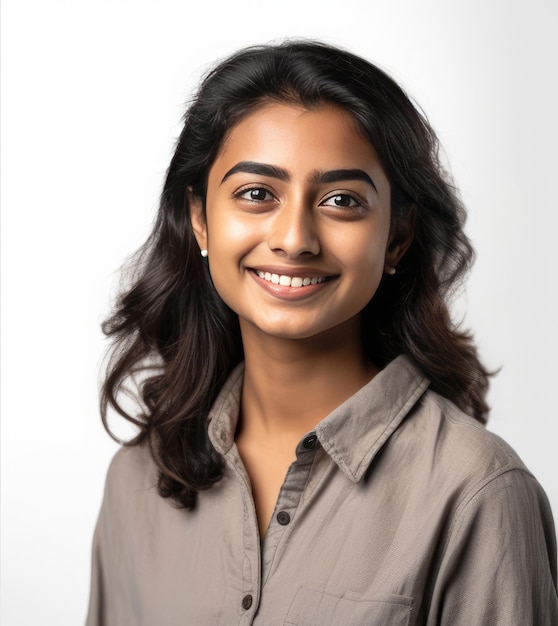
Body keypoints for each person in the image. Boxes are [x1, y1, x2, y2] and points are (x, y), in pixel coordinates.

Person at [86, 41, 558, 625]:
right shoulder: (138, 482)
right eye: (257, 194)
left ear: (398, 236)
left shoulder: (477, 493)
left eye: (341, 200)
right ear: (201, 219)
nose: (294, 238)